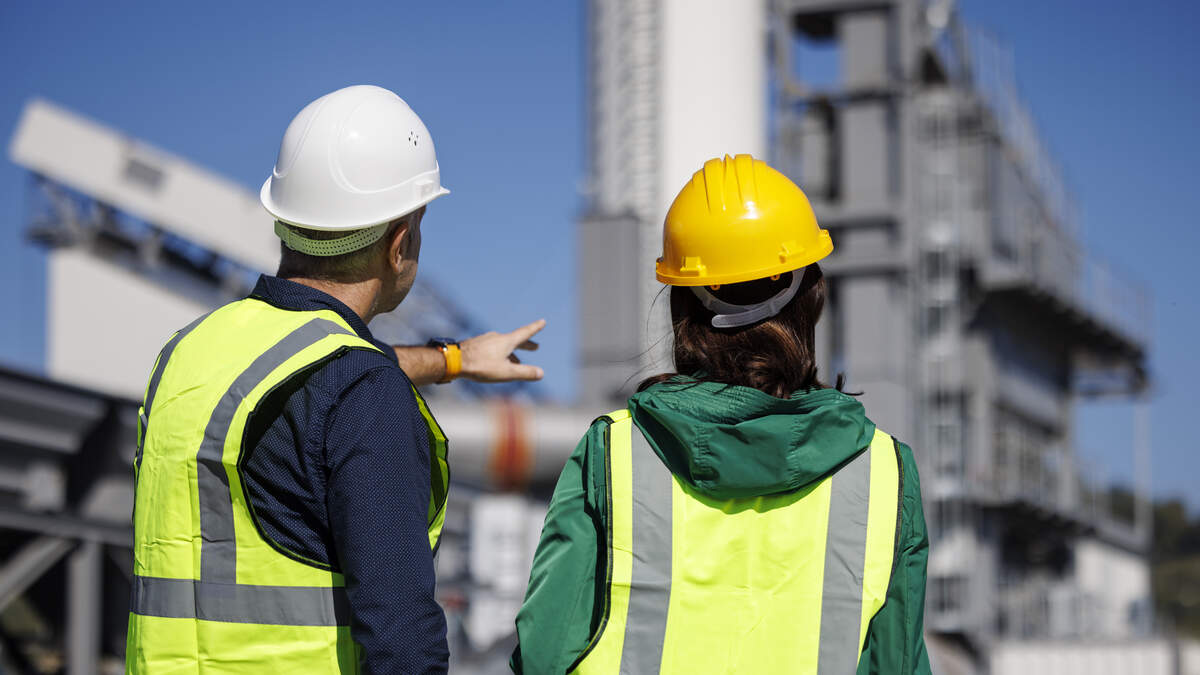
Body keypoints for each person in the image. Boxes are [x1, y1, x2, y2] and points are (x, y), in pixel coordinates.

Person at [126, 84, 544, 674]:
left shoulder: (189, 353)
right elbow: (402, 644)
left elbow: (315, 377)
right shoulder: (362, 393)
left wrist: (454, 359)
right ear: (400, 243)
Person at [512, 155, 931, 674]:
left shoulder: (615, 454)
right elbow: (897, 662)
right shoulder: (883, 473)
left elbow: (544, 652)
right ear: (811, 298)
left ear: (683, 306)